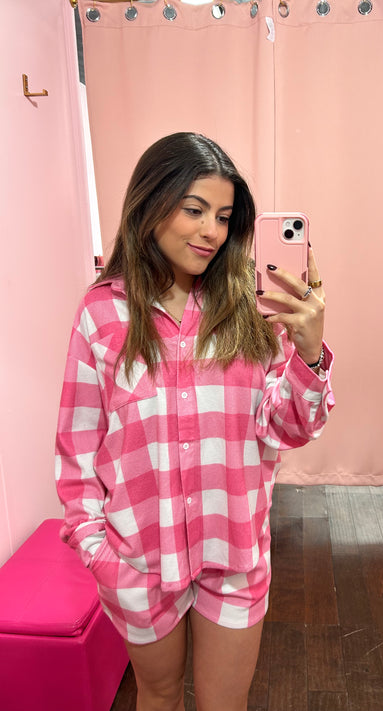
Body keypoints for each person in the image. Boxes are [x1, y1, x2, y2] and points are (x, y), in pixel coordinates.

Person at [55, 132, 334, 711]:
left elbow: (285, 429)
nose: (212, 231)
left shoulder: (252, 307)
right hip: (138, 561)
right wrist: (100, 554)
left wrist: (308, 354)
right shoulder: (103, 312)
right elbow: (77, 448)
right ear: (151, 203)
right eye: (195, 209)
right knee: (157, 695)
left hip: (233, 555)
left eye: (224, 217)